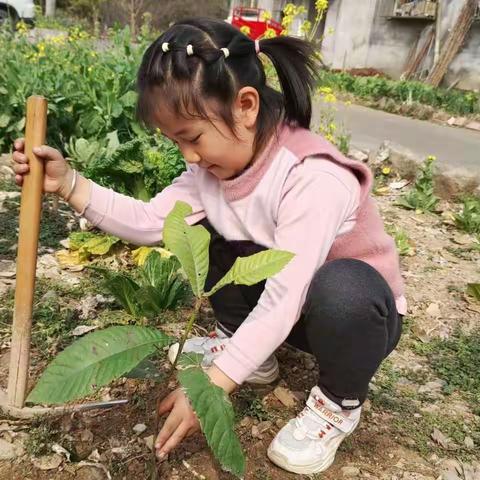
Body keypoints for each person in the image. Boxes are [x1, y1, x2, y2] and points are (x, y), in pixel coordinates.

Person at [12, 17, 406, 475]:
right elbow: (150, 221)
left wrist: (216, 384)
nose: (189, 157)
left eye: (193, 138)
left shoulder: (312, 177)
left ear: (245, 106)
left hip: (352, 319)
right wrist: (70, 184)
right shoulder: (212, 172)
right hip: (292, 310)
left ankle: (338, 403)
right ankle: (249, 351)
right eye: (176, 141)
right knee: (204, 227)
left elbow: (285, 296)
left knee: (345, 288)